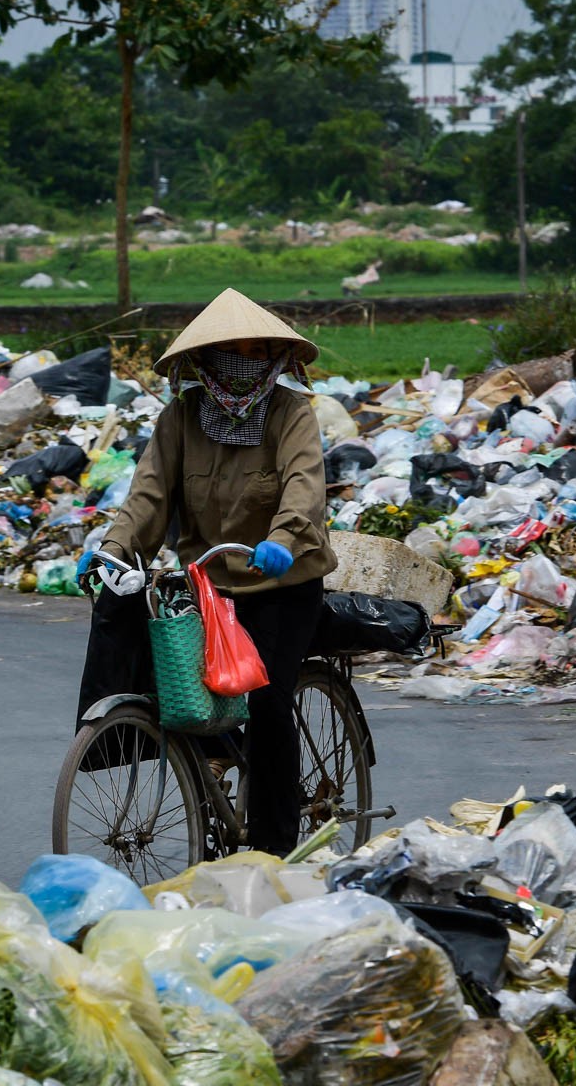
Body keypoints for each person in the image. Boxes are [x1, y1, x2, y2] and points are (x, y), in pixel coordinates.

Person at [79, 288, 335, 855]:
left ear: (273, 354)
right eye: (228, 350)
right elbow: (147, 497)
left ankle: (274, 847)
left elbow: (304, 487)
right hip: (211, 585)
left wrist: (283, 540)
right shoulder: (179, 421)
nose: (241, 360)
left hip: (282, 584)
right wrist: (114, 546)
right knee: (180, 691)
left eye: (253, 348)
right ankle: (215, 783)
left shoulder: (292, 414)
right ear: (204, 361)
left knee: (265, 701)